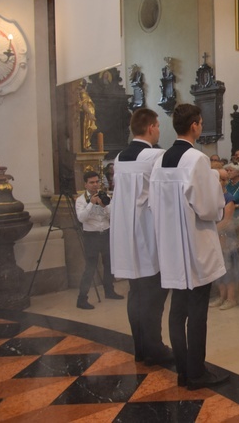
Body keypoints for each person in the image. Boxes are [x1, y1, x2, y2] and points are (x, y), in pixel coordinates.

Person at [149, 103, 229, 390]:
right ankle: (197, 372)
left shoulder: (160, 160)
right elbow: (207, 208)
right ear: (195, 125)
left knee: (177, 309)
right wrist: (217, 183)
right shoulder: (196, 159)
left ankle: (183, 369)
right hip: (194, 247)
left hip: (171, 247)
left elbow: (155, 204)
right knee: (197, 312)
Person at [110, 108, 171, 365]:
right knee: (154, 294)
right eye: (157, 125)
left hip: (126, 232)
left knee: (136, 292)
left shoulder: (119, 158)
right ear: (150, 127)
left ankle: (141, 347)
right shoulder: (156, 156)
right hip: (148, 233)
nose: (158, 130)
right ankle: (155, 348)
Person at [75, 171, 123, 309]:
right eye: (91, 182)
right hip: (91, 236)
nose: (95, 185)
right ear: (85, 184)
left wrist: (104, 205)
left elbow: (112, 214)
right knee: (90, 268)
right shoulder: (81, 200)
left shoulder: (105, 196)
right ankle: (82, 299)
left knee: (109, 265)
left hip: (106, 234)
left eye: (97, 182)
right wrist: (91, 203)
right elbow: (81, 218)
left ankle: (109, 291)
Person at [210, 169, 239, 310]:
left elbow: (226, 221)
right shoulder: (211, 197)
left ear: (225, 181)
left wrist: (210, 232)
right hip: (215, 237)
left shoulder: (229, 198)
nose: (219, 181)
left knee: (229, 267)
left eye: (221, 179)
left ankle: (231, 298)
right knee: (218, 267)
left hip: (226, 237)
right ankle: (221, 296)